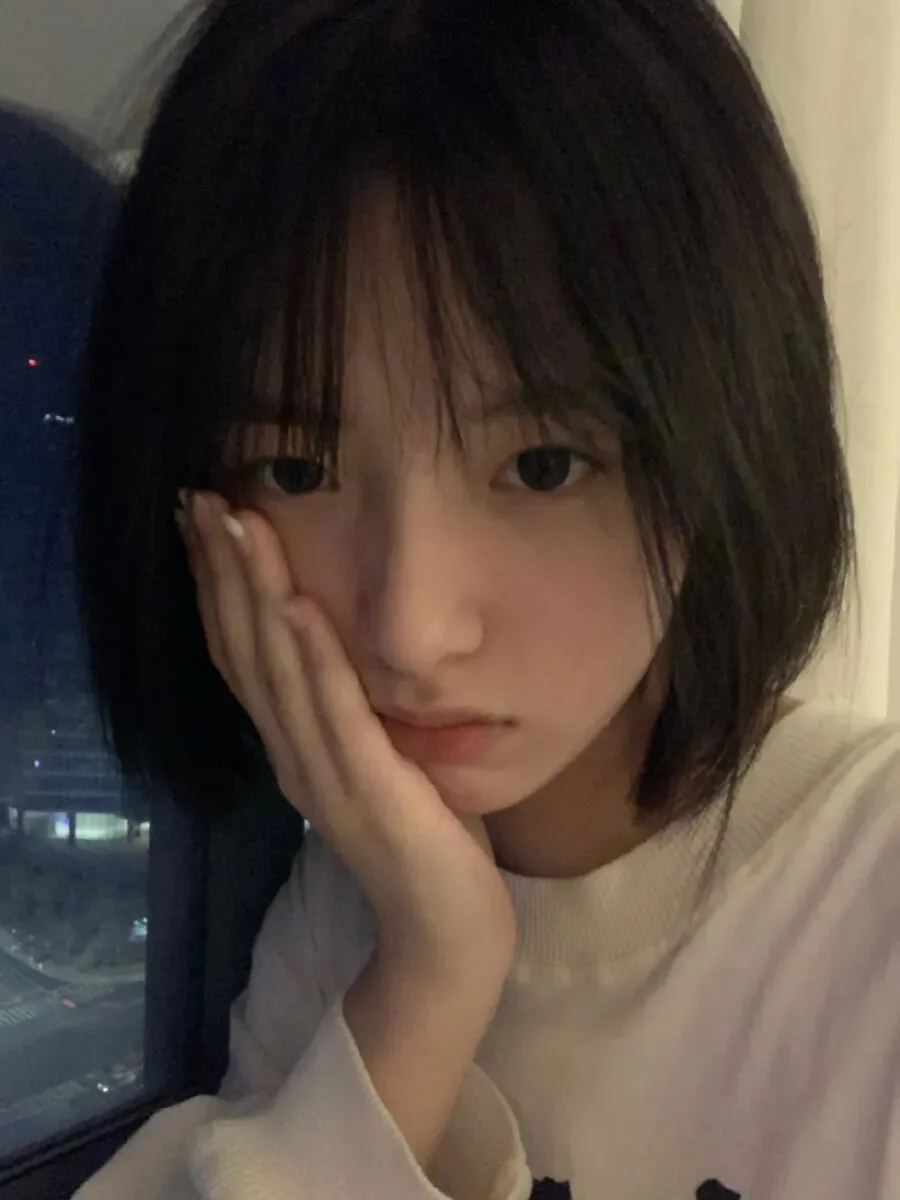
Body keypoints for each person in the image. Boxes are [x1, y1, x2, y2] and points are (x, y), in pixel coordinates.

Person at [69, 0, 900, 1197]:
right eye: (296, 471)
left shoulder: (867, 908)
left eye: (544, 465)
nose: (411, 628)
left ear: (728, 438)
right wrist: (429, 974)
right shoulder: (342, 916)